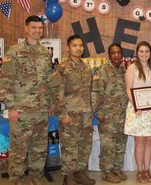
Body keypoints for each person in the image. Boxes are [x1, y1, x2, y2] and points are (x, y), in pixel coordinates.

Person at [0, 15, 52, 185]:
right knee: (19, 152)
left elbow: (48, 81)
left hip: (41, 111)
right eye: (34, 27)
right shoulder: (14, 52)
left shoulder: (45, 53)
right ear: (26, 29)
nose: (37, 31)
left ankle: (36, 179)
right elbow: (5, 82)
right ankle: (17, 181)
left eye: (40, 28)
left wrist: (50, 103)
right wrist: (11, 108)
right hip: (21, 112)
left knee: (39, 150)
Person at [51, 35, 95, 185]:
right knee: (70, 147)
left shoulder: (86, 67)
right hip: (70, 114)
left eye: (80, 45)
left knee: (84, 146)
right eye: (75, 45)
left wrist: (91, 110)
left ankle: (79, 173)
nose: (78, 48)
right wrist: (62, 115)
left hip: (86, 114)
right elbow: (57, 93)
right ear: (68, 48)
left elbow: (89, 91)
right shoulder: (63, 68)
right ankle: (68, 176)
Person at [124, 41, 151, 183]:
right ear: (137, 53)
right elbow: (128, 89)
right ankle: (140, 171)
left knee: (149, 141)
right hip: (137, 110)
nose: (144, 54)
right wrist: (136, 105)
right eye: (141, 51)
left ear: (150, 53)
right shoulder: (132, 68)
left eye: (147, 51)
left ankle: (147, 169)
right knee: (139, 141)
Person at [92, 43, 129, 183]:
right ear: (109, 54)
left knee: (120, 143)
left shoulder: (123, 70)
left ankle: (116, 168)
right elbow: (96, 93)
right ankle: (107, 171)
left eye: (119, 52)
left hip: (122, 114)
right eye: (113, 52)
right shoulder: (102, 70)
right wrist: (99, 112)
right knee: (108, 145)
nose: (116, 55)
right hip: (107, 115)